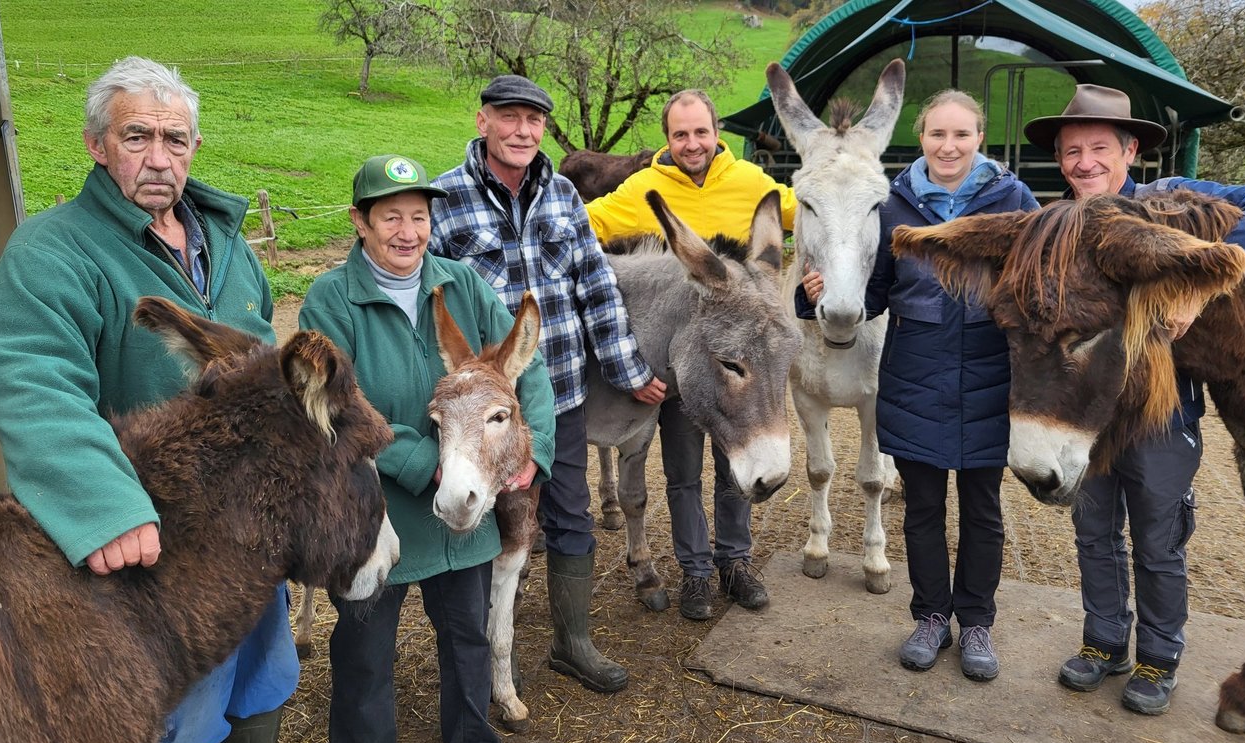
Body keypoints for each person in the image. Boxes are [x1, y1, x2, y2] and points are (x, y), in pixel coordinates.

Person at [0, 57, 294, 743]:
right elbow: (34, 381)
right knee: (173, 719)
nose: (160, 157)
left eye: (176, 139)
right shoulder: (51, 251)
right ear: (98, 144)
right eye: (138, 137)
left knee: (263, 685)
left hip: (248, 534)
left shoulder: (226, 245)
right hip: (147, 549)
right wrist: (109, 509)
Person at [300, 155, 555, 743]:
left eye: (419, 216)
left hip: (461, 509)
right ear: (360, 223)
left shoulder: (461, 283)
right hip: (373, 509)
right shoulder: (333, 299)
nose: (408, 231)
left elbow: (528, 373)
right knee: (365, 653)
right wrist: (424, 463)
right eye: (391, 217)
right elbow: (338, 404)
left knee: (467, 635)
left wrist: (532, 454)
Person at [1022, 84, 1245, 714]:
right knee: (1093, 531)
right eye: (1072, 150)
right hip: (1090, 417)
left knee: (1160, 541)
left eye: (1099, 148)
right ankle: (1103, 642)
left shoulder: (1171, 206)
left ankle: (1158, 658)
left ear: (1130, 150)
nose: (1085, 162)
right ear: (1060, 159)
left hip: (1166, 417)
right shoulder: (1057, 231)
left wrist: (1197, 274)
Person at [428, 75, 666, 694]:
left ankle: (572, 640)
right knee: (476, 517)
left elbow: (595, 284)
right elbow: (423, 294)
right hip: (480, 408)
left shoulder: (562, 194)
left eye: (533, 121)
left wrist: (630, 370)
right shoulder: (445, 199)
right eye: (509, 118)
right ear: (483, 122)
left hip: (556, 392)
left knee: (570, 511)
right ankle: (472, 654)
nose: (522, 131)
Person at [799, 90, 1038, 681]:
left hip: (989, 372)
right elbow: (874, 291)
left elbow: (1040, 285)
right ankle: (931, 615)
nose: (948, 146)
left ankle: (977, 622)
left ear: (979, 136)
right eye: (937, 135)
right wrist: (817, 297)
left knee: (982, 509)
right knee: (923, 508)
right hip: (916, 373)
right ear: (920, 136)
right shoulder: (895, 203)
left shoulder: (1013, 199)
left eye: (961, 135)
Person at [585, 89, 798, 620]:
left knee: (733, 467)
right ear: (668, 138)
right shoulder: (642, 188)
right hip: (685, 355)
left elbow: (813, 213)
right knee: (681, 472)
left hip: (737, 346)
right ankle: (696, 570)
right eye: (680, 134)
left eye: (700, 132)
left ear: (716, 131)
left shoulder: (751, 181)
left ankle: (735, 561)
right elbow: (580, 226)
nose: (692, 143)